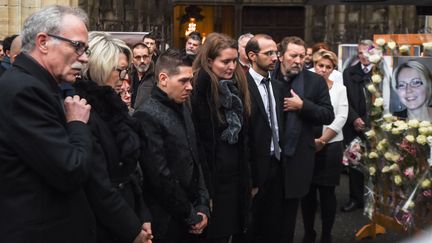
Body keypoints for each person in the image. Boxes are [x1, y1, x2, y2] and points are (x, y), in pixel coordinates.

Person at [0, 5, 96, 242]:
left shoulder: (36, 84)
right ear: (43, 42)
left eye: (85, 48)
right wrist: (77, 124)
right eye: (77, 46)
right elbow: (71, 169)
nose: (83, 57)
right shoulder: (25, 90)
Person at [73, 31, 152, 243]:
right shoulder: (83, 110)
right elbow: (98, 184)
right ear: (101, 67)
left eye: (126, 71)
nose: (124, 78)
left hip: (127, 212)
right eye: (119, 70)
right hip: (101, 227)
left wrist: (143, 215)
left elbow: (130, 172)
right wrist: (132, 230)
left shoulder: (115, 110)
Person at [133, 49, 210, 243]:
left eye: (190, 80)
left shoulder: (182, 106)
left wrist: (202, 205)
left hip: (193, 213)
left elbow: (195, 158)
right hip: (166, 222)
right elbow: (160, 177)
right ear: (163, 78)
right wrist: (190, 214)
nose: (190, 87)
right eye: (183, 81)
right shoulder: (146, 115)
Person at [191, 32, 251, 243]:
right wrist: (205, 192)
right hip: (213, 180)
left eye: (234, 60)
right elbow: (199, 142)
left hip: (234, 177)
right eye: (225, 61)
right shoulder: (200, 87)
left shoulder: (236, 83)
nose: (232, 66)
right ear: (209, 61)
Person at [275, 36, 334, 243]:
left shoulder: (314, 81)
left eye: (302, 56)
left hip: (297, 157)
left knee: (290, 217)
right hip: (270, 158)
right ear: (281, 56)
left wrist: (303, 106)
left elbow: (328, 115)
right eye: (293, 55)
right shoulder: (268, 78)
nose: (298, 60)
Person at [301, 50, 348, 243]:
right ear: (314, 65)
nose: (323, 70)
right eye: (320, 65)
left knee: (328, 193)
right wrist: (313, 142)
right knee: (308, 193)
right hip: (306, 145)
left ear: (333, 70)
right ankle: (308, 232)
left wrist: (322, 141)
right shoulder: (304, 86)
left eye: (328, 67)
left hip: (330, 146)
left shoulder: (339, 88)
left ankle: (326, 234)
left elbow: (342, 117)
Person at [244, 34, 284, 243]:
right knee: (252, 227)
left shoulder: (277, 86)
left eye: (276, 52)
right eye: (269, 53)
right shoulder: (241, 86)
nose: (275, 57)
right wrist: (250, 177)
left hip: (276, 163)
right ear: (252, 56)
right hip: (254, 168)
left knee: (273, 223)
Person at [341, 39, 374, 213]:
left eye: (367, 52)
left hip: (376, 127)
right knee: (355, 164)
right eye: (360, 53)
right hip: (353, 125)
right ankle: (355, 199)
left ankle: (375, 199)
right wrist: (354, 119)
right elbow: (344, 98)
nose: (364, 56)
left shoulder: (381, 72)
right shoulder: (348, 72)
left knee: (376, 164)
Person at [130, 42, 155, 109]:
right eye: (138, 57)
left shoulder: (156, 77)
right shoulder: (127, 76)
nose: (142, 61)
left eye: (145, 57)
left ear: (150, 58)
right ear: (132, 60)